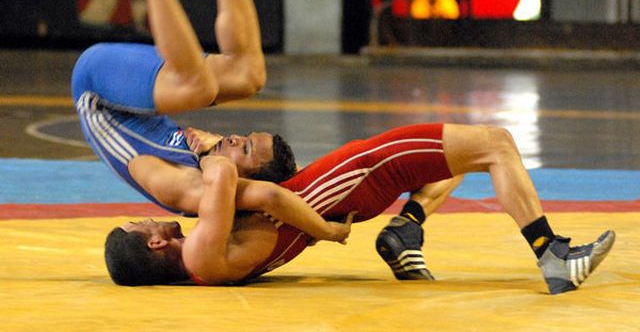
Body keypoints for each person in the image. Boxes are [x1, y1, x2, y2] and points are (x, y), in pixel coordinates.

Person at [71, 0, 354, 249]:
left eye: (245, 149)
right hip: (129, 95)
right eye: (244, 138)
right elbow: (271, 195)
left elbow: (270, 197)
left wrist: (326, 232)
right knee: (248, 76)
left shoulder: (185, 188)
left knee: (198, 86)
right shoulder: (214, 170)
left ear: (243, 179)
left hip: (97, 89)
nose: (233, 138)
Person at [106, 123, 615, 295]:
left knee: (462, 158)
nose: (149, 216)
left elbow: (265, 196)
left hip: (346, 188)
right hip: (351, 179)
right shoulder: (202, 255)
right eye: (142, 223)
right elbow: (226, 174)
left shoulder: (210, 255)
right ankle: (553, 258)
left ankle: (405, 231)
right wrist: (206, 149)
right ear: (154, 243)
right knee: (495, 145)